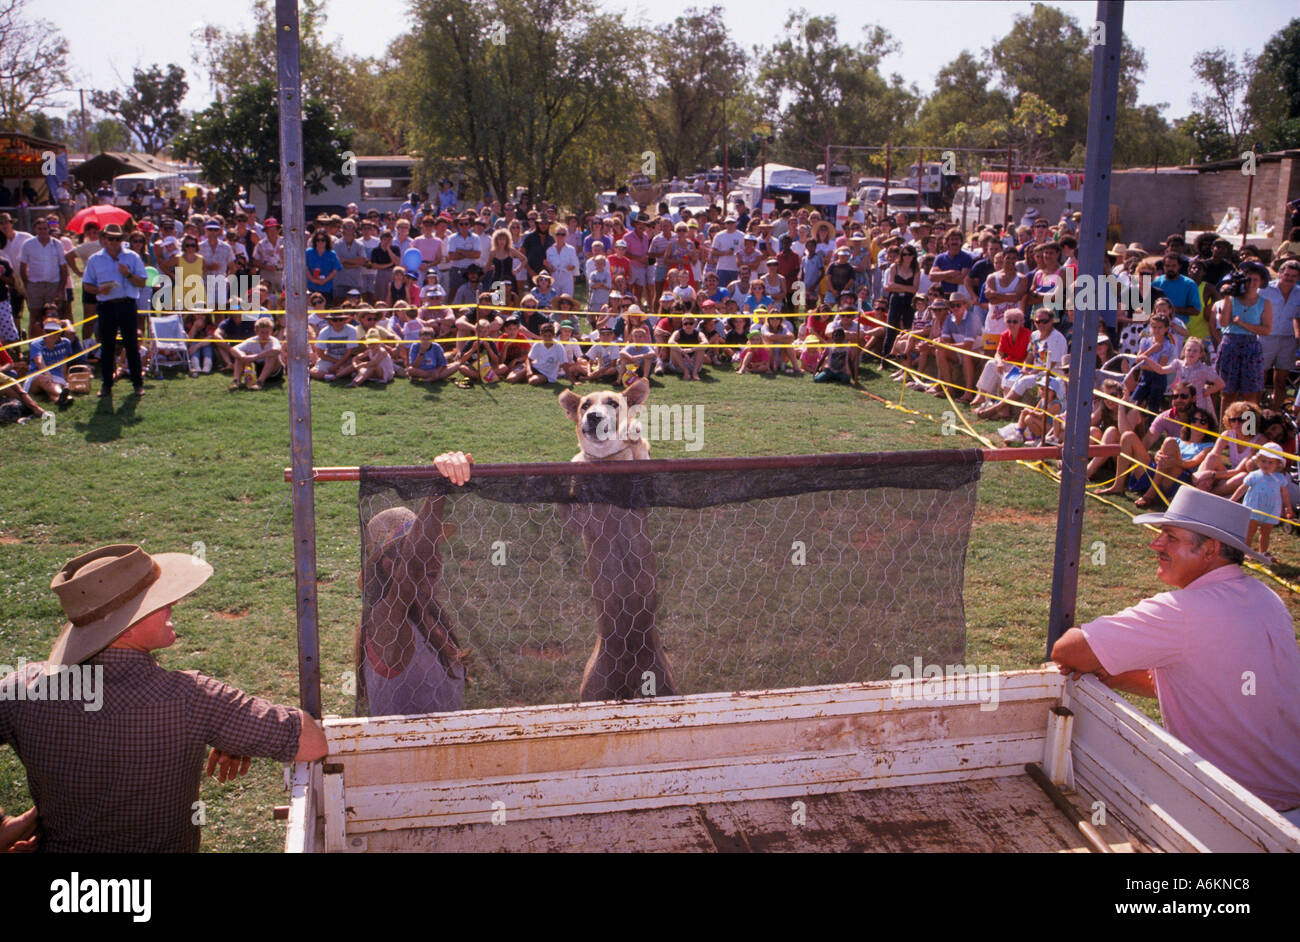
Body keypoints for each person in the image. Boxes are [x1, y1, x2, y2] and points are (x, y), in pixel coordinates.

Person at [0, 544, 329, 852]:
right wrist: (236, 735)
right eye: (156, 601)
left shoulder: (20, 689)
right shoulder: (192, 699)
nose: (172, 604)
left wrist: (8, 826)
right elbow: (312, 742)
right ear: (125, 627)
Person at [1051, 487, 1300, 824]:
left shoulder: (1182, 613)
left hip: (1240, 817)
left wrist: (1094, 662)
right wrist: (1110, 672)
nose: (1156, 544)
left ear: (1210, 549)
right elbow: (1209, 683)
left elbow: (1067, 649)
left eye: (1170, 536)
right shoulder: (1265, 597)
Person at [81, 224, 147, 398]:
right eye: (111, 238)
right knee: (107, 346)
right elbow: (87, 285)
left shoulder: (132, 257)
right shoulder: (95, 259)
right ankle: (106, 385)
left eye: (118, 239)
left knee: (132, 345)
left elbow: (142, 282)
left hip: (127, 304)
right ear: (104, 239)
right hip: (106, 305)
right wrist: (98, 290)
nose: (114, 242)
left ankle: (137, 384)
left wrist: (128, 275)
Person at [1231, 442, 1291, 561]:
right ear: (1258, 461)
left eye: (1270, 462)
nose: (1266, 465)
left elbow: (1284, 493)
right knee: (1250, 531)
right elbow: (1242, 488)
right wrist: (1232, 499)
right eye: (1263, 461)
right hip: (1254, 507)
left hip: (1271, 509)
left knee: (1266, 532)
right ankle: (1245, 550)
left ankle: (1262, 552)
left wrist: (1288, 507)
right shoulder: (1254, 475)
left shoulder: (1280, 479)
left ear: (1278, 464)